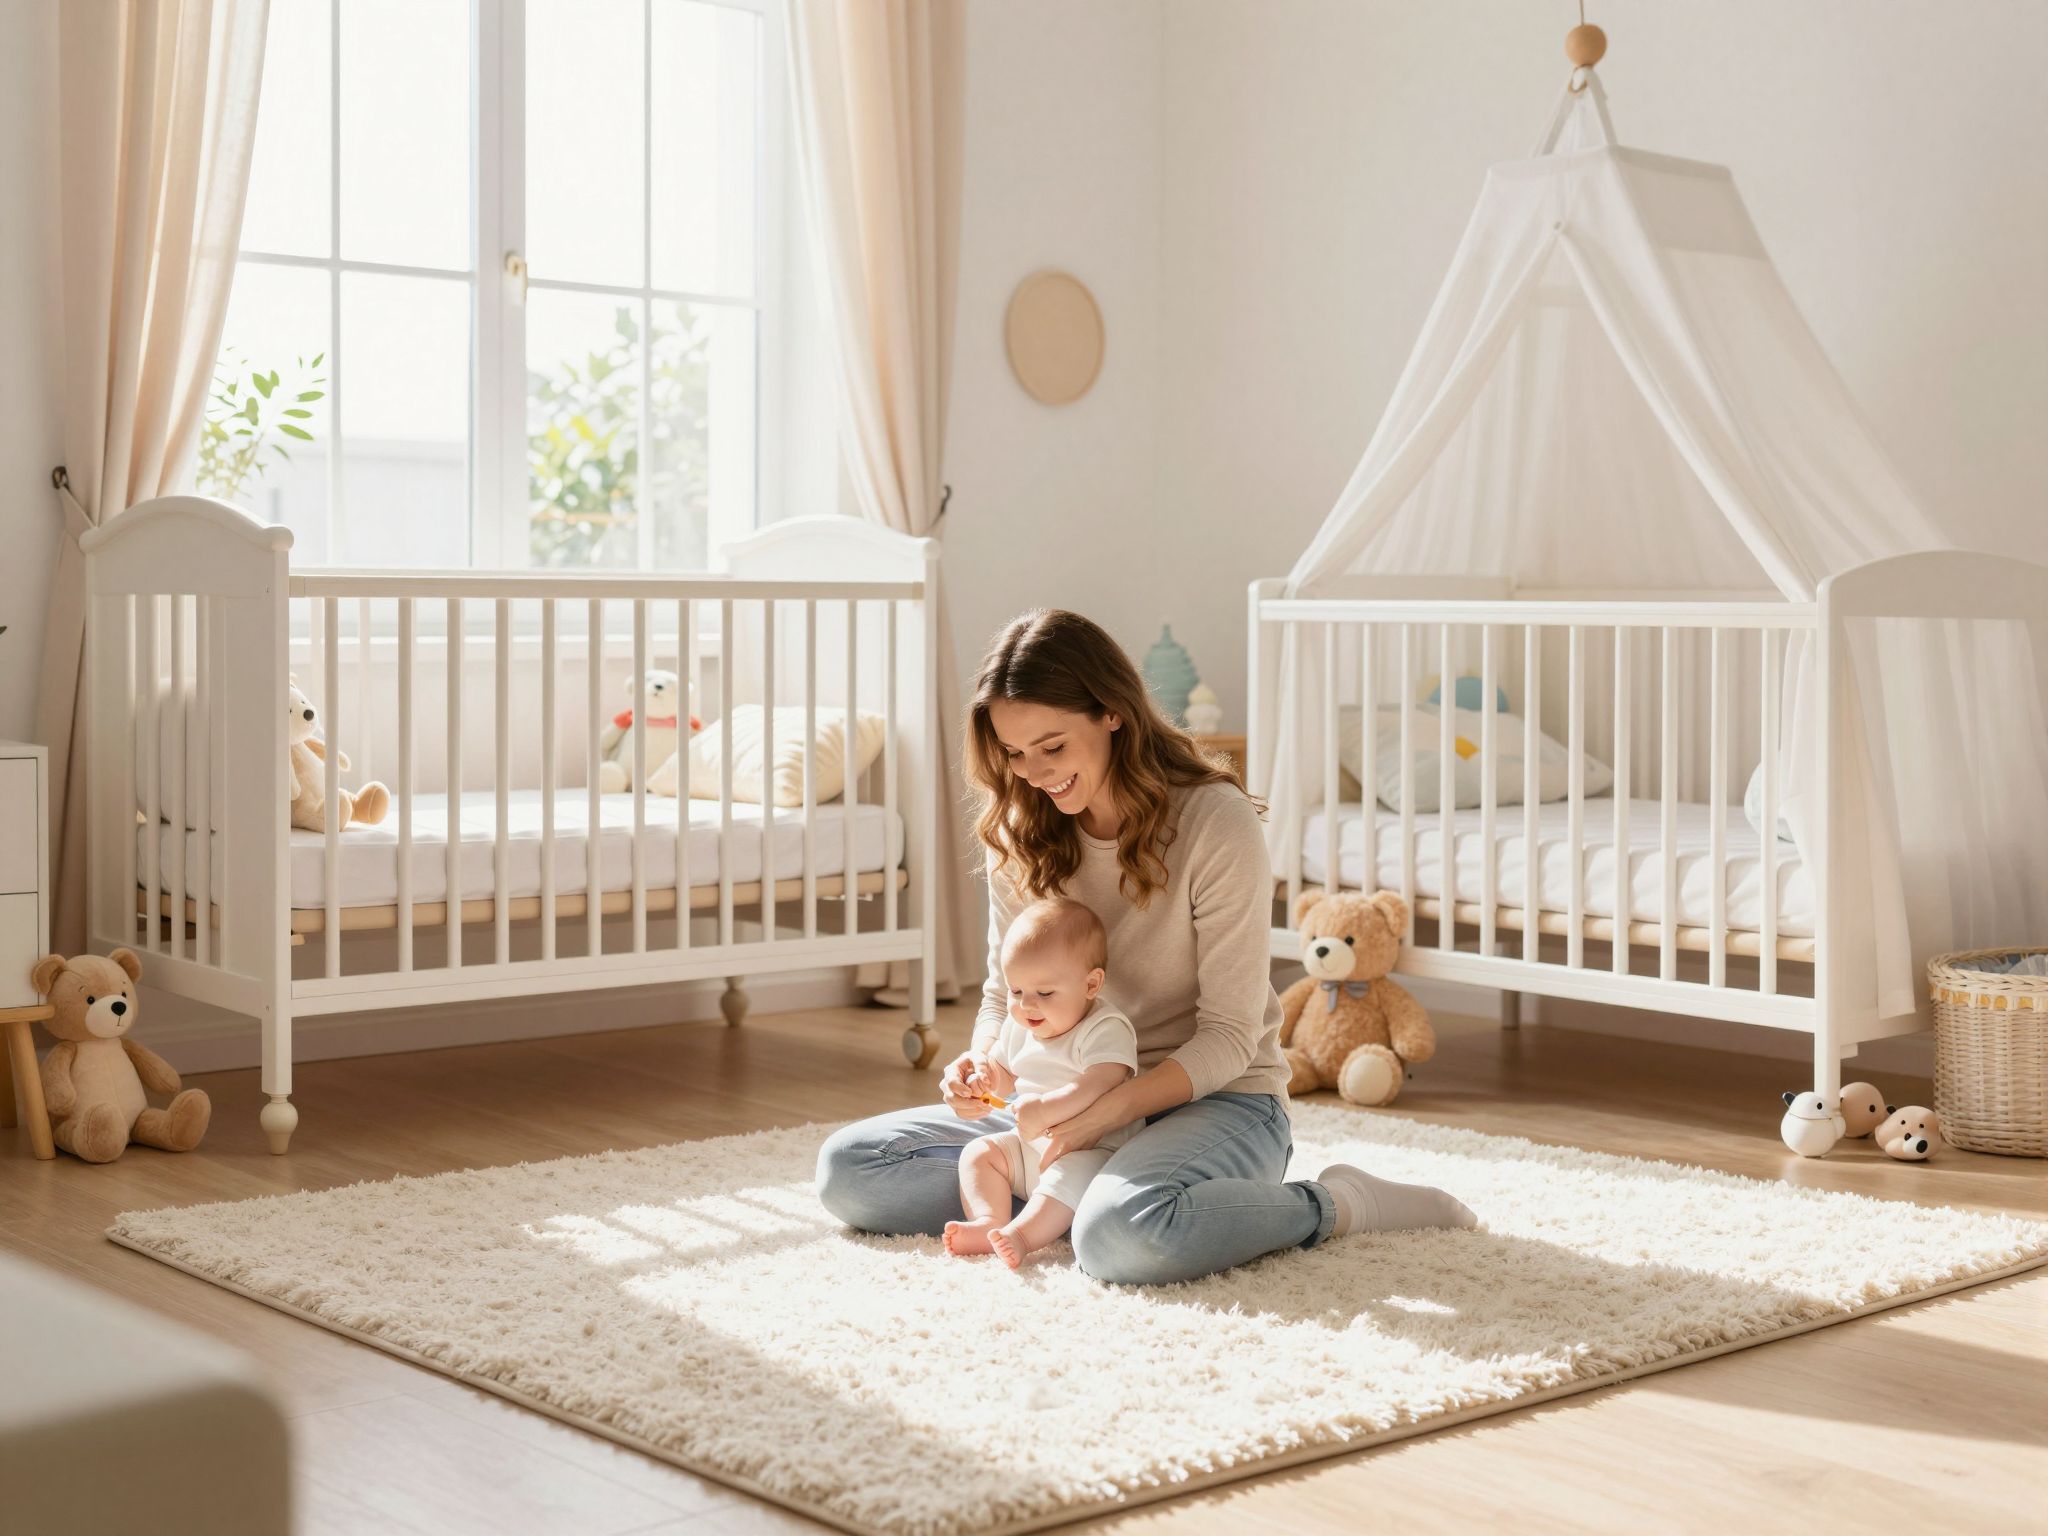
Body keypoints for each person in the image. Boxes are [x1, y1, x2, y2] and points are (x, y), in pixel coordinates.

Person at [816, 609, 1474, 1284]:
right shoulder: (1021, 827)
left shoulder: (1214, 823)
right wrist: (982, 1067)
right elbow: (1000, 995)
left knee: (1120, 1239)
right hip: (1063, 1103)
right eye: (1014, 753)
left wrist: (1108, 1109)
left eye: (1052, 747)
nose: (1034, 772)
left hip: (1216, 1100)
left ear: (1111, 714)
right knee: (851, 1170)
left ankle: (1330, 1204)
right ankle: (1081, 1200)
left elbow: (1229, 1035)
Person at [943, 897, 1139, 1268]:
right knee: (980, 1153)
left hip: (1094, 1151)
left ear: (1091, 984)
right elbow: (1002, 1073)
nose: (1027, 1006)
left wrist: (1048, 1109)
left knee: (1069, 1176)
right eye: (1016, 991)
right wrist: (984, 1080)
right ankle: (989, 1221)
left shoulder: (1105, 1028)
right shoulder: (1019, 1026)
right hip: (1030, 1146)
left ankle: (1022, 1236)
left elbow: (1100, 1082)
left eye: (1044, 994)